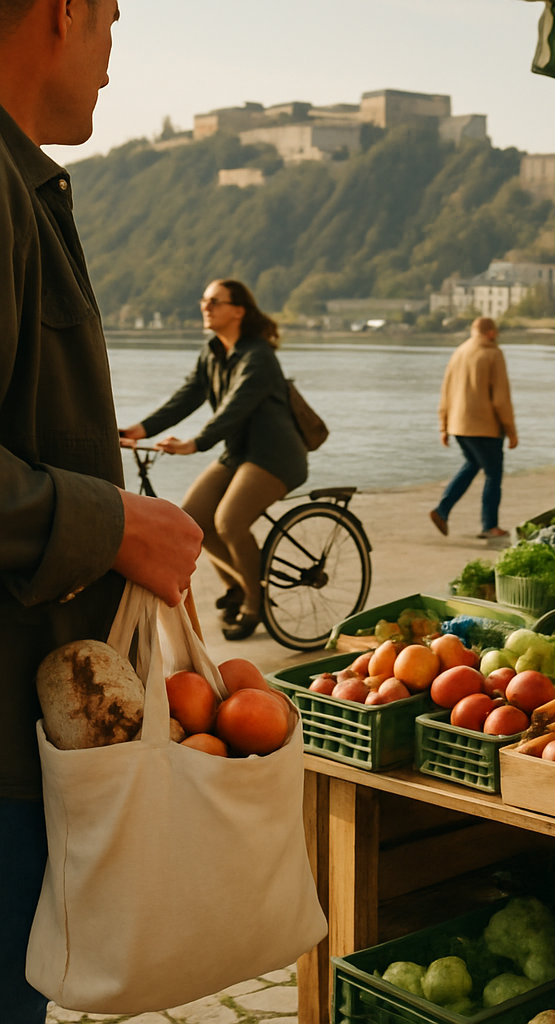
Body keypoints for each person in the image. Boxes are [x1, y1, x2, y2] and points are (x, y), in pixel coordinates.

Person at [0, 2, 204, 1020]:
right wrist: (119, 523)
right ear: (61, 12)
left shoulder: (21, 182)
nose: (116, 60)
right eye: (113, 23)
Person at [120, 280, 308, 641]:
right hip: (238, 454)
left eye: (215, 302)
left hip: (275, 456)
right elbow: (186, 397)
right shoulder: (212, 352)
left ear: (238, 310)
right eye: (204, 301)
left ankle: (256, 602)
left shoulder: (259, 356)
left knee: (229, 521)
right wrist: (139, 430)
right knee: (193, 520)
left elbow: (234, 408)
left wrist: (196, 443)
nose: (206, 307)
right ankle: (240, 584)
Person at [431, 316, 518, 539]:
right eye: (496, 332)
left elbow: (445, 391)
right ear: (490, 332)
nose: (497, 336)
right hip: (484, 427)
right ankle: (490, 526)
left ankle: (442, 511)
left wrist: (443, 426)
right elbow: (501, 399)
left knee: (472, 464)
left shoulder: (459, 352)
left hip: (458, 426)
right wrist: (511, 431)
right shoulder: (493, 354)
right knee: (493, 475)